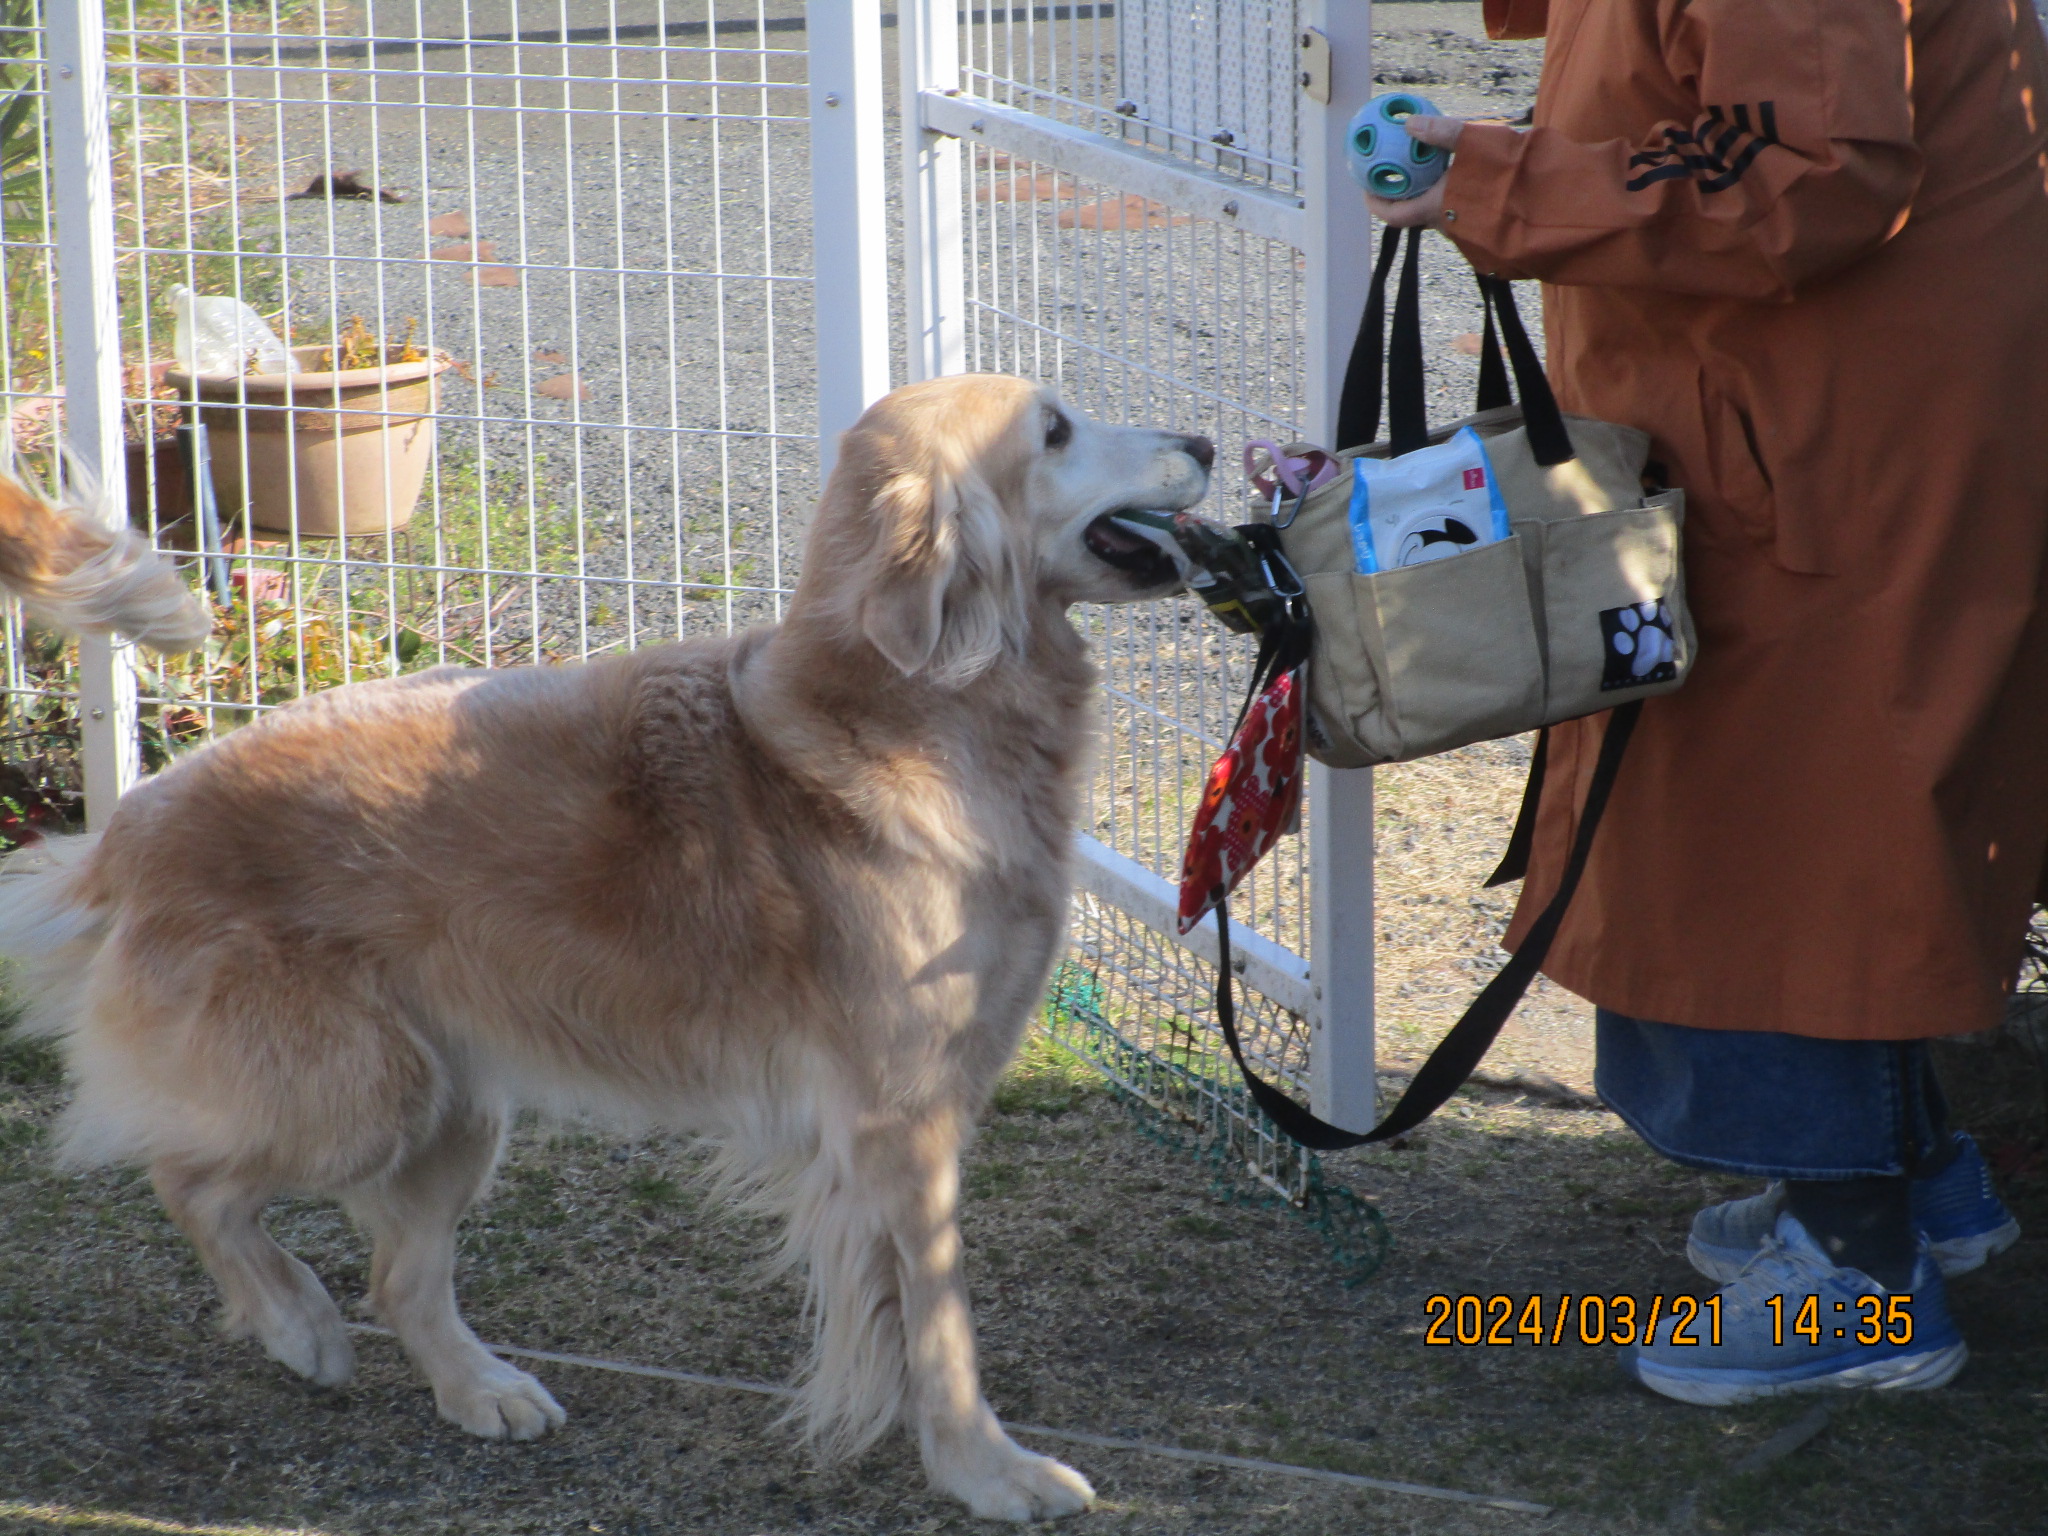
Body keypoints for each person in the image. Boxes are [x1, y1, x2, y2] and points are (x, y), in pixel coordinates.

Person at [1367, 0, 2048, 1403]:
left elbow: (1807, 171)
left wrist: (1500, 178)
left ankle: (1860, 1283)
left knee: (1797, 832)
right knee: (1821, 815)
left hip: (1819, 437)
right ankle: (1913, 1192)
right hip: (1799, 412)